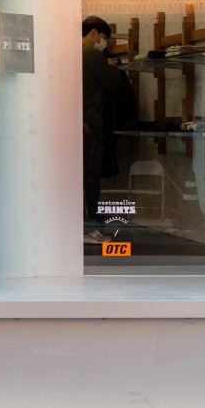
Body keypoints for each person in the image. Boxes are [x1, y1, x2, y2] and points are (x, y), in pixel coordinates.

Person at [82, 16, 121, 244]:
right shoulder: (90, 53)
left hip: (76, 123)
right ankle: (90, 229)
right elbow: (112, 83)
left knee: (79, 176)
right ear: (94, 33)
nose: (103, 42)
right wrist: (112, 66)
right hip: (90, 122)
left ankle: (80, 227)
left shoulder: (68, 53)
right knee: (91, 178)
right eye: (103, 37)